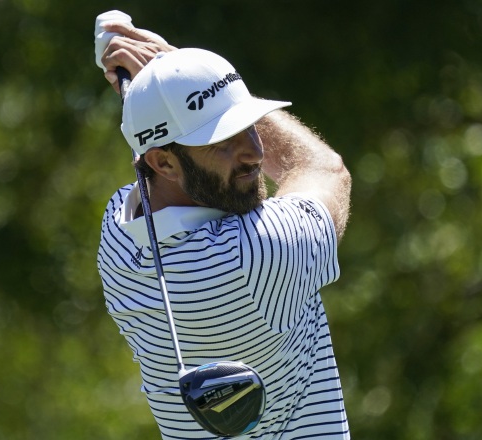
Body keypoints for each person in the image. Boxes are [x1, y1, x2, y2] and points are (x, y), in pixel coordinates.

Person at [95, 18, 352, 439]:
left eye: (249, 124)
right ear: (164, 162)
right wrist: (170, 64)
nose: (254, 151)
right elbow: (323, 168)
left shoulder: (118, 235)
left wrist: (158, 96)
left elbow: (154, 169)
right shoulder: (259, 255)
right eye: (222, 139)